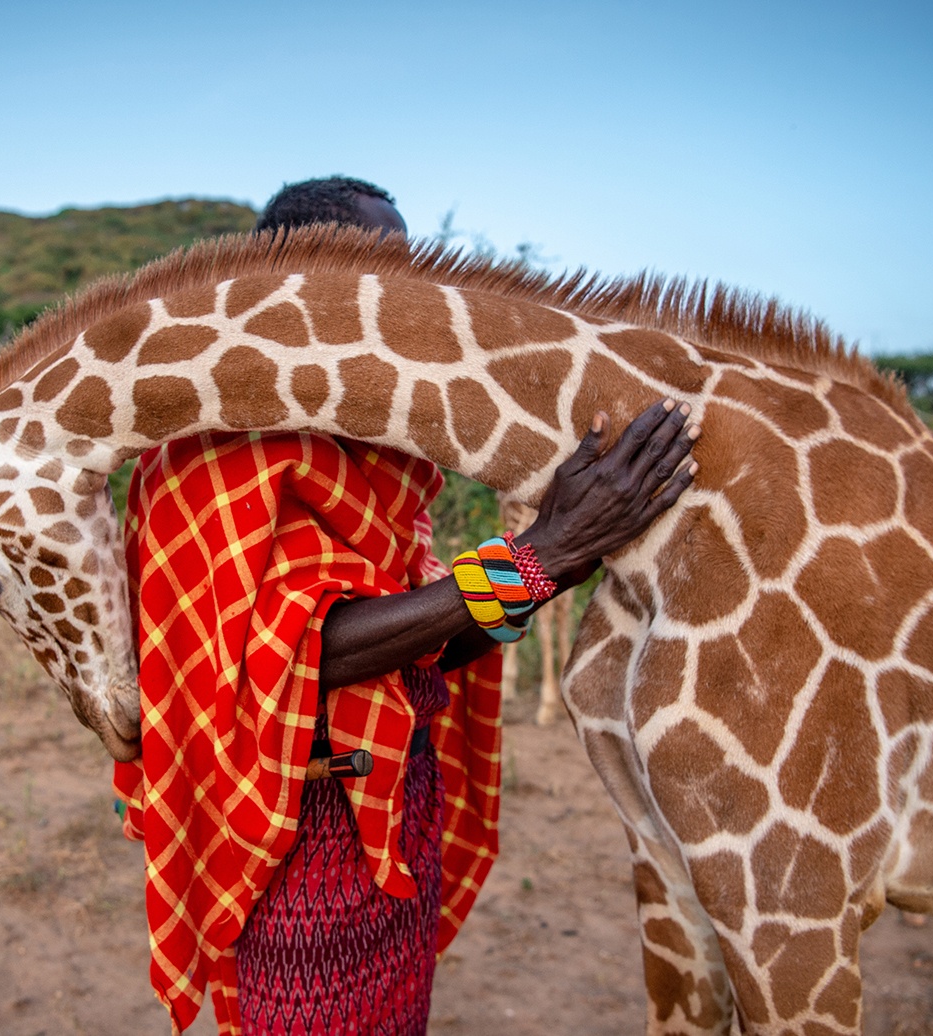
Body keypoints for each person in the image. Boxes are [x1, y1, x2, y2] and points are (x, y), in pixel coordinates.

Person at [113, 176, 699, 1035]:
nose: (410, 299)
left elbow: (426, 642)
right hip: (295, 836)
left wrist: (558, 563)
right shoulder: (207, 453)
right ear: (301, 280)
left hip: (395, 808)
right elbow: (306, 650)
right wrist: (543, 555)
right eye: (387, 271)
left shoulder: (376, 461)